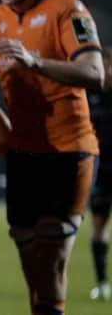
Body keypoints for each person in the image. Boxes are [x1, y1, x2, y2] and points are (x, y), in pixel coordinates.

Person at [0, 0, 104, 315]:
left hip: (68, 149)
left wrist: (35, 62)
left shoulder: (67, 10)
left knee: (52, 258)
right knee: (32, 265)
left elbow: (95, 73)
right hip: (22, 153)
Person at [88, 47, 112, 301]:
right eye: (105, 65)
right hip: (101, 172)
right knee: (99, 227)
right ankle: (102, 283)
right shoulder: (90, 95)